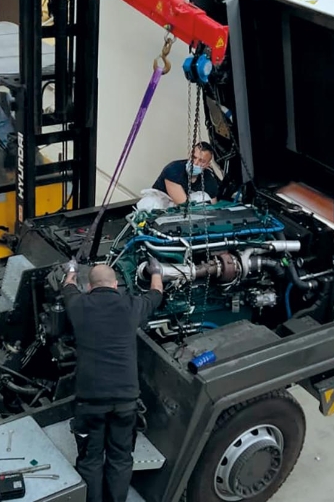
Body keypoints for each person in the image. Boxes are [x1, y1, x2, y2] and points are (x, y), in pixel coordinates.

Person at [63, 259, 164, 502]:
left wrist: (72, 270)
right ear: (116, 284)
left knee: (91, 459)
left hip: (91, 403)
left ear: (89, 286)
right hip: (125, 402)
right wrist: (156, 271)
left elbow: (67, 286)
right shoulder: (131, 305)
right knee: (120, 459)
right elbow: (156, 293)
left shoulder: (78, 304)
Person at [152, 141, 220, 205]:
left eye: (201, 161)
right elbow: (183, 204)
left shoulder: (209, 177)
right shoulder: (174, 169)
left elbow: (214, 205)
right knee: (152, 203)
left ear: (208, 165)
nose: (195, 163)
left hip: (185, 208)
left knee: (203, 198)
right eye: (194, 157)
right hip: (161, 204)